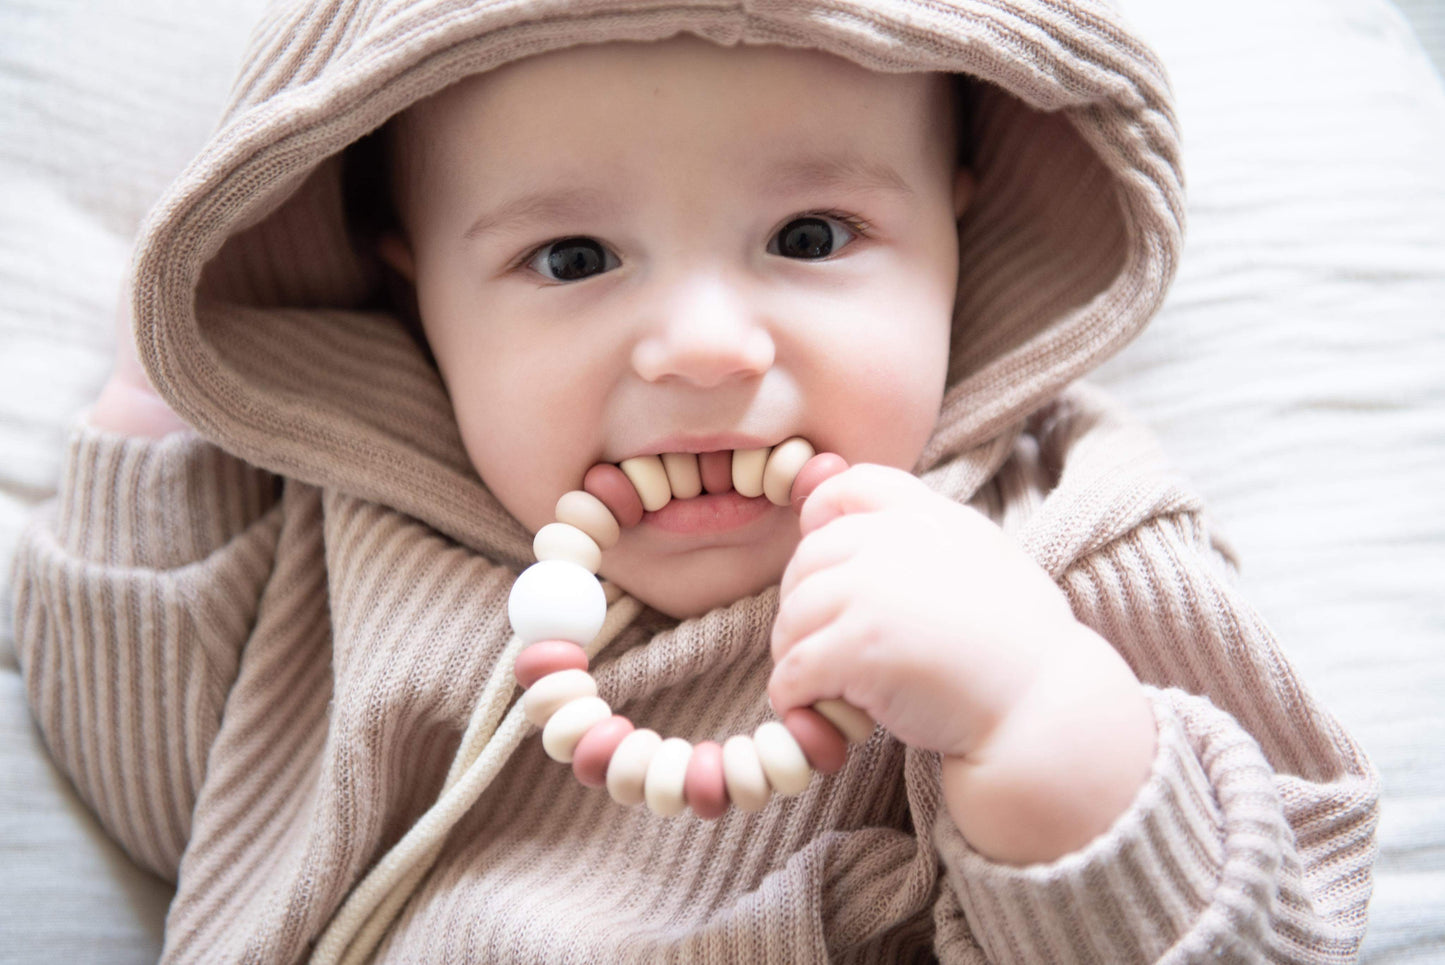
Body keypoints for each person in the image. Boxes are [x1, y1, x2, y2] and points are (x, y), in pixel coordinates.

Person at [11, 1, 1379, 962]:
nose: (707, 349)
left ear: (958, 210)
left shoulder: (1050, 528)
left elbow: (1274, 930)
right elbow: (167, 802)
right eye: (572, 259)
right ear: (408, 276)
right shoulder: (356, 514)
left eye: (808, 233)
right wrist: (155, 421)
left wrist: (1038, 720)